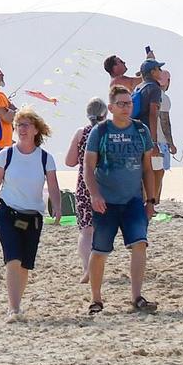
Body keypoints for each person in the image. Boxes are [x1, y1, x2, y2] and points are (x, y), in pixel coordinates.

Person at [0, 110, 60, 321]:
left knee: (24, 264)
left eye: (27, 125)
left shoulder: (45, 158)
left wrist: (57, 207)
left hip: (33, 217)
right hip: (7, 213)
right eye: (19, 125)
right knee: (13, 258)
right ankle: (13, 308)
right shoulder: (6, 154)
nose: (22, 129)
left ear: (36, 129)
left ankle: (16, 303)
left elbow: (54, 186)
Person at [83, 85, 156, 315]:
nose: (126, 108)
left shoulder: (141, 131)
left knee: (139, 244)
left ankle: (136, 296)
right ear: (111, 107)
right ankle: (96, 298)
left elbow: (147, 168)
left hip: (133, 199)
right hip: (106, 201)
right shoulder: (100, 131)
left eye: (129, 103)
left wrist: (151, 199)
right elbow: (88, 166)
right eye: (122, 104)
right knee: (100, 250)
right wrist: (94, 194)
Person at [65, 98, 107, 278]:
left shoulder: (81, 133)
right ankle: (96, 267)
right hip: (105, 182)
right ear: (105, 114)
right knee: (103, 228)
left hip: (84, 184)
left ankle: (86, 267)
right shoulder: (108, 131)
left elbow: (69, 161)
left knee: (86, 229)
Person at [134, 59, 172, 209]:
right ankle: (150, 203)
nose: (160, 72)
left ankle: (146, 202)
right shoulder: (154, 89)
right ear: (152, 72)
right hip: (147, 135)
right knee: (156, 170)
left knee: (145, 170)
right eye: (158, 69)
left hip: (136, 133)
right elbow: (153, 114)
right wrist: (153, 142)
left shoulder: (139, 87)